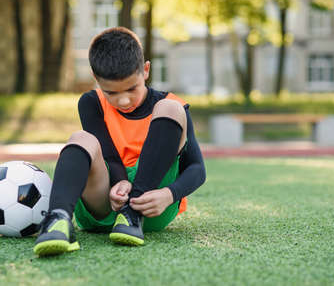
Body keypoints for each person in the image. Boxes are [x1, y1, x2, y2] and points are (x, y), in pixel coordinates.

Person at [33, 27, 206, 257]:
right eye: (111, 92)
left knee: (170, 109)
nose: (123, 100)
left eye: (131, 88)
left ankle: (131, 215)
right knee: (80, 138)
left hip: (149, 207)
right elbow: (107, 153)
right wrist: (119, 182)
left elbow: (197, 169)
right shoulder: (91, 102)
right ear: (96, 79)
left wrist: (169, 194)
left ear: (145, 70)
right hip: (103, 204)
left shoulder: (172, 104)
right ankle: (58, 219)